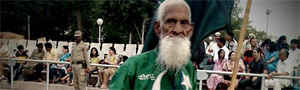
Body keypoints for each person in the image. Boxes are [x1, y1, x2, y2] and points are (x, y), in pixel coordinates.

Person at [109, 0, 197, 89]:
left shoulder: (189, 68)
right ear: (157, 28)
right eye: (171, 22)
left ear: (191, 29)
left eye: (184, 23)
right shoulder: (133, 67)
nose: (178, 30)